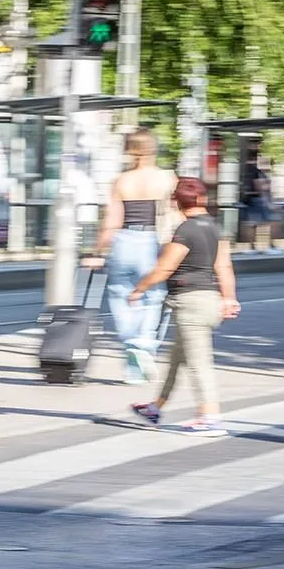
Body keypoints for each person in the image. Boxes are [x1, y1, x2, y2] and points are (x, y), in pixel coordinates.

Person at [129, 177, 241, 436]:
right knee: (177, 358)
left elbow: (165, 267)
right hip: (209, 301)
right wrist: (229, 297)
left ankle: (210, 417)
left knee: (199, 363)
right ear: (203, 199)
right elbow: (223, 266)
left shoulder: (186, 230)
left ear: (176, 202)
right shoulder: (215, 228)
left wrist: (140, 289)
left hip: (191, 304)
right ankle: (155, 408)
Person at [96, 128, 178, 384]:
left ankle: (132, 354)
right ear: (154, 148)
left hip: (123, 241)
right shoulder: (167, 178)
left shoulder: (121, 180)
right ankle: (143, 345)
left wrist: (98, 251)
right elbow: (175, 215)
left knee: (121, 296)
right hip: (152, 242)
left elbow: (112, 219)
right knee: (153, 296)